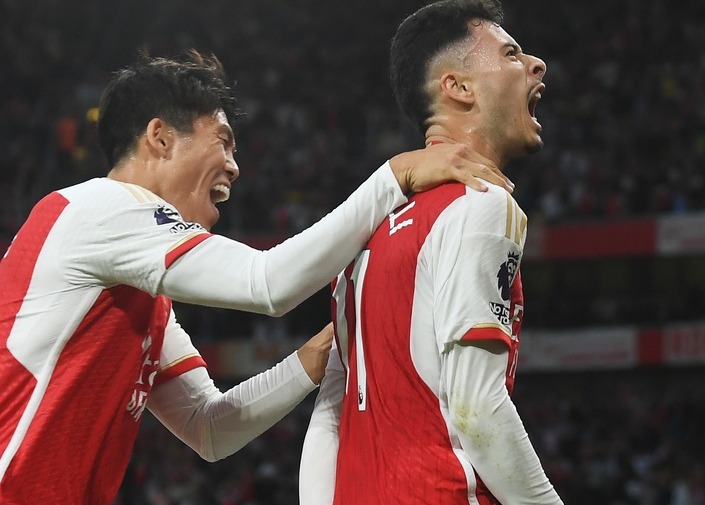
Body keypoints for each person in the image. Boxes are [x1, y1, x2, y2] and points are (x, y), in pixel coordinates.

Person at [0, 50, 510, 504]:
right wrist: (392, 178)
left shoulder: (140, 293)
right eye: (222, 141)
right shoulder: (99, 209)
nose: (235, 166)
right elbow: (265, 283)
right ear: (159, 137)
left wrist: (323, 354)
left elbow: (209, 428)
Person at [298, 1, 561, 503]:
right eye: (510, 54)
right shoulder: (482, 205)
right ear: (458, 87)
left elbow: (328, 419)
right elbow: (477, 409)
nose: (535, 64)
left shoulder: (361, 239)